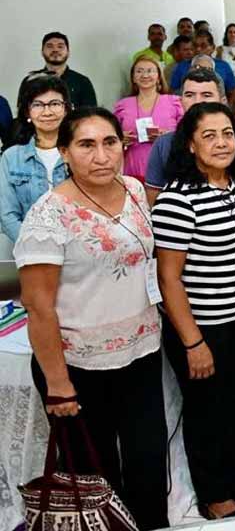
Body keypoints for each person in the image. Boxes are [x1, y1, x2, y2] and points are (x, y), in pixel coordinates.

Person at [15, 107, 168, 529]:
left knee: (148, 461)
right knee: (95, 474)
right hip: (78, 366)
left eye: (109, 142)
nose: (101, 156)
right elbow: (39, 306)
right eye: (86, 145)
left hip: (141, 352)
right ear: (64, 151)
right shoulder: (48, 215)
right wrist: (58, 384)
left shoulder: (133, 189)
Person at [153, 102, 235, 520]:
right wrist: (193, 342)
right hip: (202, 326)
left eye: (227, 134)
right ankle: (213, 492)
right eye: (209, 135)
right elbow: (168, 279)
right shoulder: (177, 200)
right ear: (190, 144)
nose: (221, 143)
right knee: (206, 411)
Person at [144, 69, 235, 207]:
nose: (197, 102)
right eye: (189, 95)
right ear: (180, 100)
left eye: (207, 95)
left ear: (223, 101)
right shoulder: (164, 144)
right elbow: (154, 198)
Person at [1, 76, 71, 243]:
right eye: (38, 105)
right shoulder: (12, 157)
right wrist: (35, 247)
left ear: (66, 109)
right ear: (27, 112)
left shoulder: (80, 153)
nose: (47, 112)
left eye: (55, 104)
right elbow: (7, 215)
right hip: (27, 248)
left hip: (76, 248)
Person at [114, 58, 183, 181]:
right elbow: (110, 134)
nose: (145, 75)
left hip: (167, 168)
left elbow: (186, 134)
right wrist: (119, 138)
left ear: (159, 77)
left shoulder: (174, 102)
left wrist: (167, 137)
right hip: (132, 169)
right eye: (139, 71)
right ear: (133, 78)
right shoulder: (123, 105)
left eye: (150, 71)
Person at [23, 32, 97, 109]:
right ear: (42, 52)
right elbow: (23, 112)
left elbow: (91, 114)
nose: (55, 50)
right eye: (50, 46)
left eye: (60, 46)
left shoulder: (82, 82)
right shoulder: (30, 81)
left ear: (68, 52)